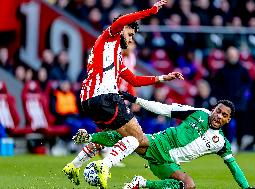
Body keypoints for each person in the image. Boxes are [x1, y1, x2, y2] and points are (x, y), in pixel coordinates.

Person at [62, 0, 184, 188]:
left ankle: (73, 165)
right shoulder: (109, 36)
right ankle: (104, 165)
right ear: (123, 29)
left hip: (89, 100)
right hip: (105, 97)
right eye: (130, 34)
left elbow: (134, 79)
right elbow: (123, 20)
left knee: (109, 137)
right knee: (139, 139)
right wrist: (151, 11)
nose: (130, 40)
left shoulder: (113, 54)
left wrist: (162, 78)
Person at [73, 91, 255, 189]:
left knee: (188, 185)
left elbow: (233, 166)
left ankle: (142, 183)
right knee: (131, 137)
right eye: (218, 110)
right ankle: (90, 137)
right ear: (214, 109)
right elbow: (164, 109)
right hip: (159, 144)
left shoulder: (221, 143)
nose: (218, 116)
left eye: (223, 115)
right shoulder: (199, 113)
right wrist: (136, 100)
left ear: (228, 120)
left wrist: (246, 187)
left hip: (168, 163)